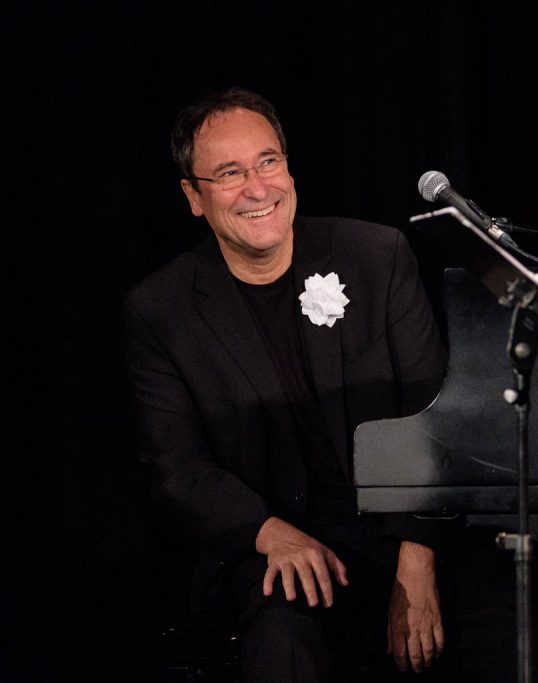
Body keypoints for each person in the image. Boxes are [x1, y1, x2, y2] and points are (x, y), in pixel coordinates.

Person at [125, 87, 450, 681]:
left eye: (268, 161)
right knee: (284, 638)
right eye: (229, 173)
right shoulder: (161, 310)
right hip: (276, 540)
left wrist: (418, 554)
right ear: (193, 198)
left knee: (518, 622)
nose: (257, 188)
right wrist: (268, 533)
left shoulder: (377, 255)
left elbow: (435, 415)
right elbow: (177, 467)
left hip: (407, 528)